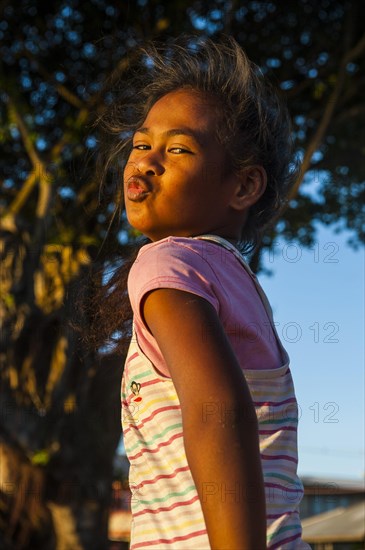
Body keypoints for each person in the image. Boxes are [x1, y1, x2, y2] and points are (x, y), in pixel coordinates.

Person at [96, 35, 309, 549]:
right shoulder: (238, 283)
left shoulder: (167, 262)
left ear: (242, 187)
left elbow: (218, 409)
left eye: (178, 149)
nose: (146, 161)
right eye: (142, 144)